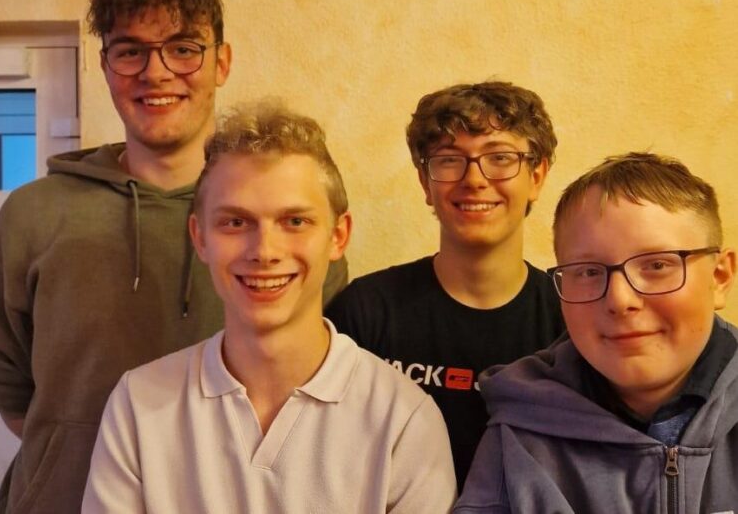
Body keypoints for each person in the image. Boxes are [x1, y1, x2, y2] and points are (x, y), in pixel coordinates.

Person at [0, 0, 346, 514]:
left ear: (221, 62)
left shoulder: (288, 227)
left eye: (183, 48)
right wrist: (78, 453)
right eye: (131, 51)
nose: (156, 72)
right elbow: (8, 383)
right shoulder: (33, 214)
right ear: (105, 66)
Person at [81, 102, 457, 513]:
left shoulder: (403, 419)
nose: (264, 251)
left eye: (295, 222)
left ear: (338, 236)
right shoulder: (138, 404)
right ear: (200, 237)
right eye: (235, 222)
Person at [455, 152, 737, 513]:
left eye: (657, 265)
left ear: (719, 278)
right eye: (588, 271)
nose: (620, 300)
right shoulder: (518, 442)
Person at [326, 81, 565, 489]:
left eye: (500, 157)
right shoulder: (364, 313)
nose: (474, 179)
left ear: (537, 176)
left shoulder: (571, 319)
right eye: (450, 160)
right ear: (425, 181)